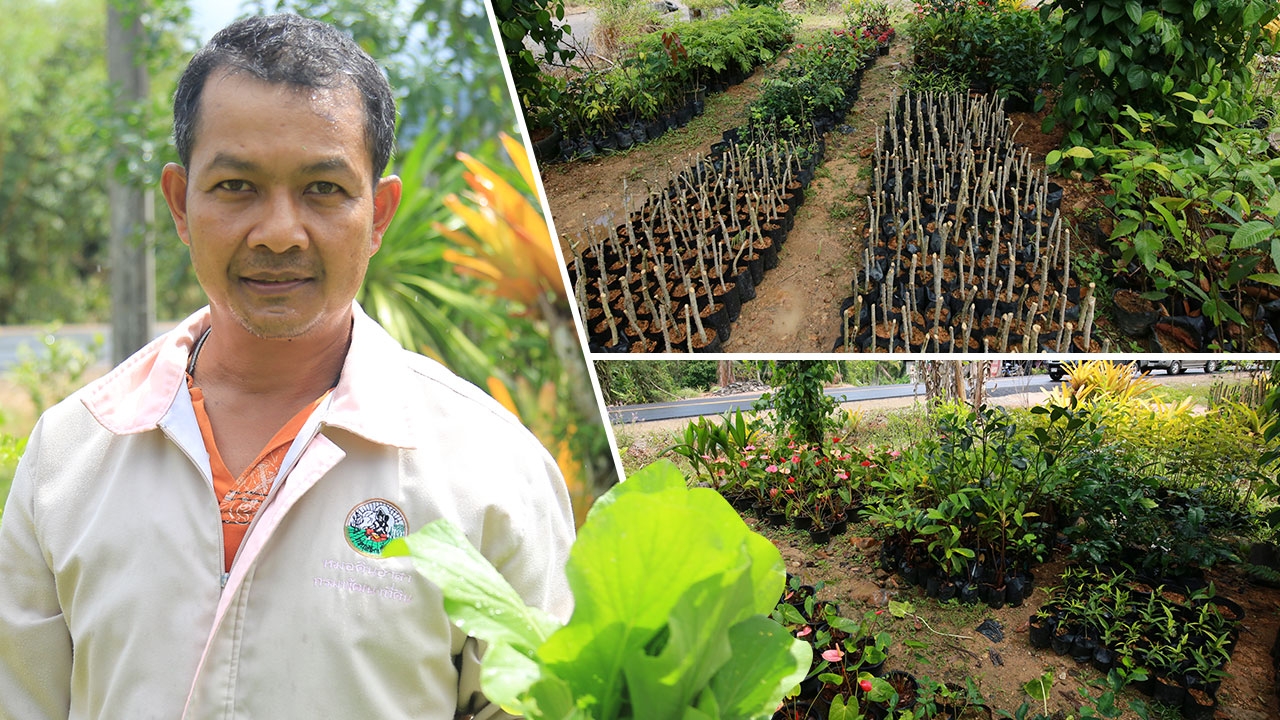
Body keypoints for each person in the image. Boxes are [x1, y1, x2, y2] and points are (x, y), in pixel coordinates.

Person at [0, 14, 575, 719]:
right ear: (180, 203)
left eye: (323, 189)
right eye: (237, 186)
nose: (278, 233)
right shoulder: (68, 460)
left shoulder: (490, 472)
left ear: (380, 211)